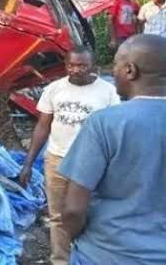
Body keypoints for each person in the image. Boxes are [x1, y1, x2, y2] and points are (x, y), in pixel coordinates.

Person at [60, 35, 166, 264]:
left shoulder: (105, 123)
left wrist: (75, 237)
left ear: (130, 70)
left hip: (105, 253)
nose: (113, 72)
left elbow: (73, 209)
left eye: (116, 65)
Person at [17, 46, 119, 265]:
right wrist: (28, 163)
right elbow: (43, 127)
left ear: (92, 65)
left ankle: (91, 258)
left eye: (82, 65)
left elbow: (113, 130)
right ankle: (61, 260)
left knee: (91, 213)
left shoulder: (108, 92)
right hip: (57, 160)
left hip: (93, 162)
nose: (76, 70)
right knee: (57, 216)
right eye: (71, 65)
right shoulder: (54, 89)